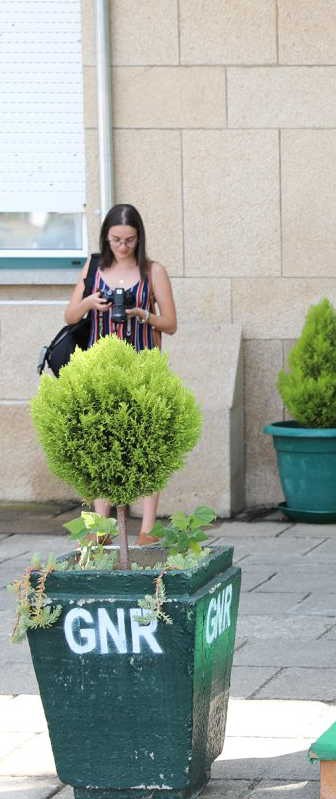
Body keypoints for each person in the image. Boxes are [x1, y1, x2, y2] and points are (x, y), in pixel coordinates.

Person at [63, 203, 178, 545]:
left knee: (148, 442)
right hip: (100, 366)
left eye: (129, 240)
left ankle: (147, 529)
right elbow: (70, 316)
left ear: (139, 238)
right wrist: (89, 304)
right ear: (106, 238)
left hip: (143, 363)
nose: (123, 247)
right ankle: (101, 526)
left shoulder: (153, 271)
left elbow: (171, 324)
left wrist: (143, 314)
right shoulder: (94, 267)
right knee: (101, 442)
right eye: (116, 240)